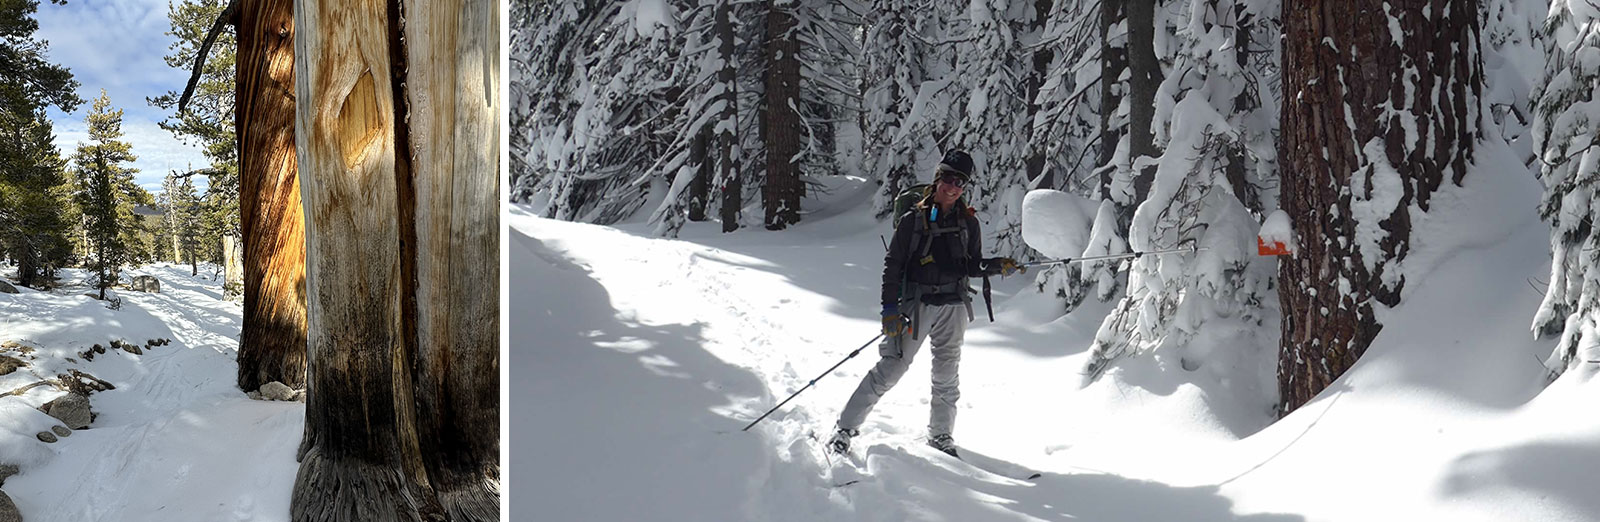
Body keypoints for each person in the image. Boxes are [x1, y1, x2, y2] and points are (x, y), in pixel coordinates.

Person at [828, 149, 1021, 458]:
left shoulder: (968, 224)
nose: (953, 186)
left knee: (947, 373)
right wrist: (890, 310)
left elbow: (971, 267)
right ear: (937, 179)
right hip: (917, 304)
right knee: (892, 367)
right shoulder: (913, 220)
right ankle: (845, 428)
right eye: (948, 178)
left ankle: (941, 435)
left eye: (960, 181)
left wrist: (998, 265)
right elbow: (893, 267)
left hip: (954, 305)